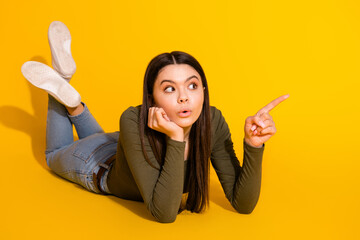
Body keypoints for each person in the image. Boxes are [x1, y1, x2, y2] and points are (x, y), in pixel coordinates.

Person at [21, 21, 289, 223]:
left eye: (192, 86)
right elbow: (164, 213)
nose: (185, 97)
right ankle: (63, 85)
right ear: (152, 98)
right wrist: (175, 137)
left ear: (204, 91)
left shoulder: (212, 120)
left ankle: (72, 99)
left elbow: (243, 204)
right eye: (170, 89)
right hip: (97, 165)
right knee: (53, 154)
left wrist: (253, 145)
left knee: (103, 137)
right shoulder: (133, 118)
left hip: (123, 148)